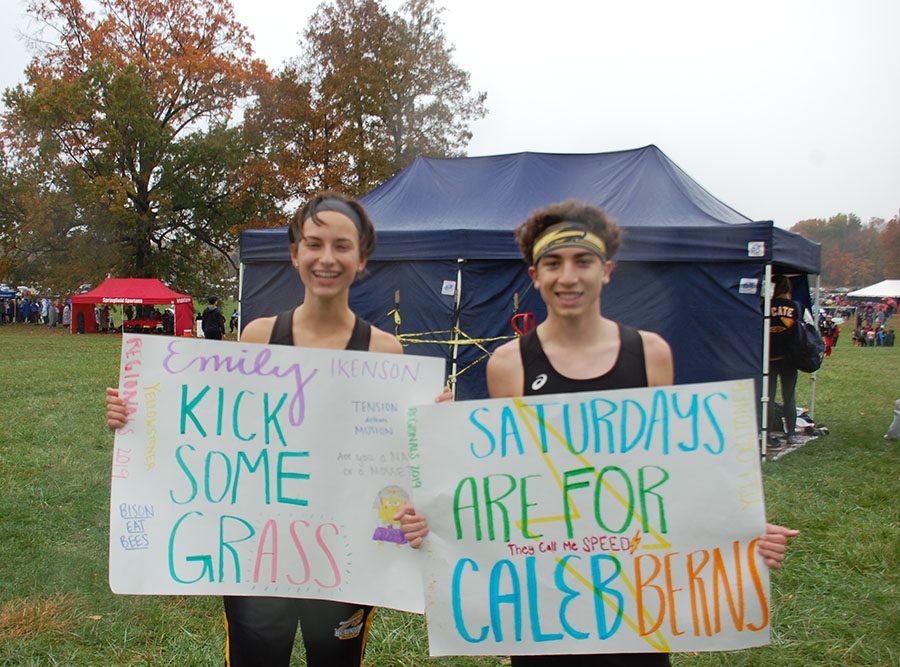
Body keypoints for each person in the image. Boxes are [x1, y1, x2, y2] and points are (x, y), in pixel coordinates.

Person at [397, 200, 799, 667]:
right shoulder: (509, 364)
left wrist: (741, 532)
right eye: (553, 263)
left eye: (582, 261)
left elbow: (669, 475)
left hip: (635, 594)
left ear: (606, 270)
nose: (568, 277)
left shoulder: (650, 353)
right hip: (545, 598)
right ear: (534, 275)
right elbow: (504, 480)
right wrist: (436, 518)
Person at [107, 192, 444, 667]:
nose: (327, 258)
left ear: (362, 258)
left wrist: (432, 430)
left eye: (342, 246)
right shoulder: (259, 337)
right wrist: (135, 416)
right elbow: (213, 433)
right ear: (294, 253)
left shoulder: (384, 353)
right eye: (314, 243)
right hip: (258, 556)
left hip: (344, 562)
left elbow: (394, 461)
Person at [768, 275, 803, 448]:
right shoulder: (795, 306)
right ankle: (791, 434)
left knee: (768, 397)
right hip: (789, 358)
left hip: (770, 357)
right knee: (789, 397)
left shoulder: (765, 306)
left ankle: (767, 433)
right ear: (788, 289)